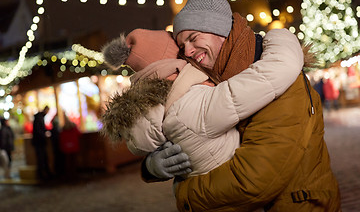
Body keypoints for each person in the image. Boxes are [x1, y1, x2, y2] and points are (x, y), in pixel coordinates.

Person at [141, 0, 341, 211]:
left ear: (221, 30)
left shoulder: (283, 81)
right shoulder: (218, 80)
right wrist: (151, 167)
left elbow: (255, 180)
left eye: (194, 38)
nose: (188, 50)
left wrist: (184, 192)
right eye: (182, 45)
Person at [101, 25, 302, 177]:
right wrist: (280, 34)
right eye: (181, 48)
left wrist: (150, 168)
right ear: (175, 62)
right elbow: (275, 71)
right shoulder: (192, 102)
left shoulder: (162, 108)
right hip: (236, 191)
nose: (189, 52)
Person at [31, 105, 52, 180]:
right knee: (41, 159)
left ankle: (44, 174)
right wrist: (45, 134)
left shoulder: (39, 117)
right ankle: (42, 175)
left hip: (39, 142)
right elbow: (39, 130)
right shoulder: (39, 118)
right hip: (39, 142)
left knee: (42, 158)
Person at [59, 114, 81, 179]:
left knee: (67, 162)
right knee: (73, 162)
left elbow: (61, 139)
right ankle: (74, 175)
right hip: (74, 147)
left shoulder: (63, 130)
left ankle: (69, 176)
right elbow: (79, 134)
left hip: (66, 148)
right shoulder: (74, 128)